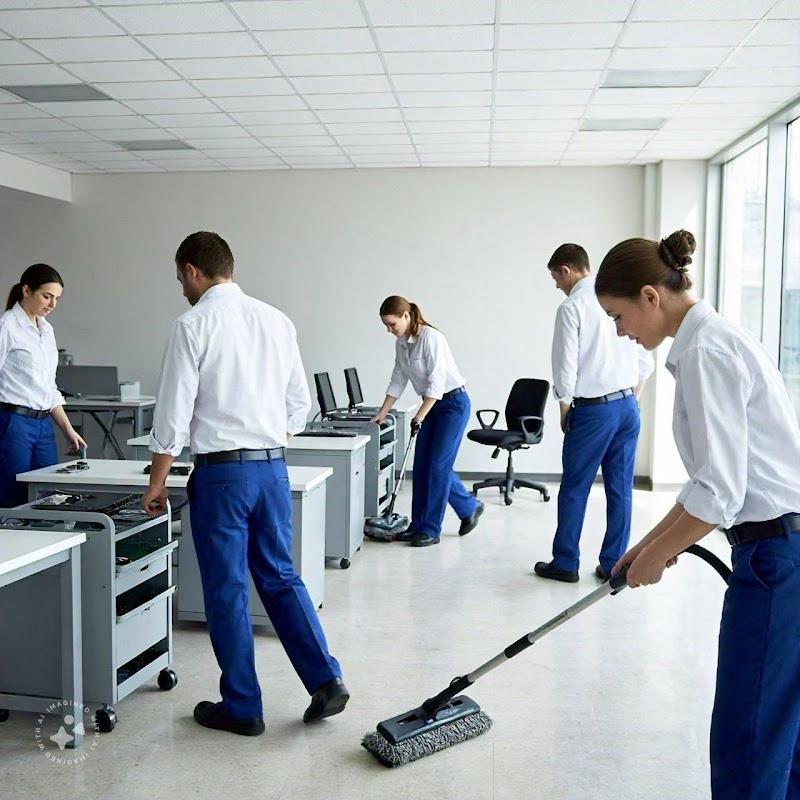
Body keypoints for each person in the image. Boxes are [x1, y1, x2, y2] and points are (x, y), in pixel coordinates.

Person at [596, 229, 800, 799]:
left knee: (751, 735)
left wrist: (661, 554)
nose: (621, 332)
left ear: (649, 296)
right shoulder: (711, 342)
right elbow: (708, 484)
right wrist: (647, 546)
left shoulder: (707, 352)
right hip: (784, 551)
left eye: (618, 316)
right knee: (784, 737)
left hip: (777, 561)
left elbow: (720, 491)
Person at [142, 231, 347, 736]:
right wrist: (265, 435)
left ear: (192, 270)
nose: (181, 289)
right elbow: (300, 405)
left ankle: (242, 707)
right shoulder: (276, 320)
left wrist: (156, 484)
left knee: (228, 589)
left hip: (221, 476)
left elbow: (172, 416)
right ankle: (326, 680)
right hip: (272, 468)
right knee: (280, 576)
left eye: (180, 279)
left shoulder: (192, 324)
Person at [534, 244, 654, 583]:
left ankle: (565, 562)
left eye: (555, 276)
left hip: (593, 412)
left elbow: (564, 364)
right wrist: (630, 398)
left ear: (567, 270)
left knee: (574, 487)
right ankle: (614, 563)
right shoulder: (620, 298)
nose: (556, 284)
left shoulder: (572, 306)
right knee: (621, 488)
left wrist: (563, 405)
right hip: (627, 406)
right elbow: (647, 359)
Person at [371, 295, 483, 547]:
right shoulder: (401, 343)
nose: (390, 330)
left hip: (452, 404)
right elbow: (398, 378)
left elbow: (436, 383)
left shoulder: (432, 339)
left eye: (392, 324)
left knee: (437, 467)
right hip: (430, 404)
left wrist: (420, 415)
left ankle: (431, 529)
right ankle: (423, 523)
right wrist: (383, 411)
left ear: (406, 316)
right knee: (423, 466)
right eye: (386, 326)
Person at [0, 264, 86, 507]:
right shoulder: (7, 326)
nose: (52, 305)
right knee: (13, 495)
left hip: (43, 424)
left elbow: (48, 386)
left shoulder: (46, 330)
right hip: (13, 422)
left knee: (48, 495)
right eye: (47, 296)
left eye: (56, 299)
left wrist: (67, 429)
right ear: (26, 291)